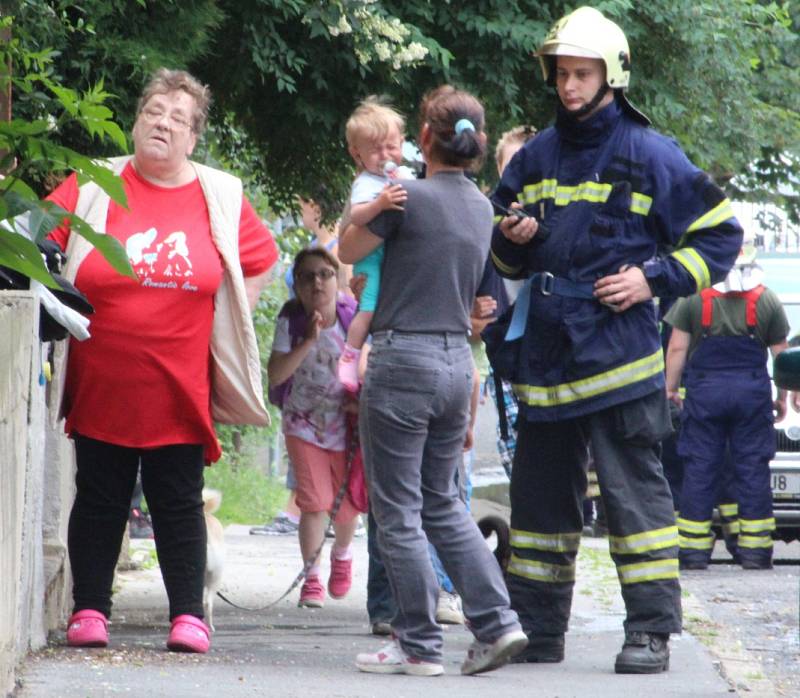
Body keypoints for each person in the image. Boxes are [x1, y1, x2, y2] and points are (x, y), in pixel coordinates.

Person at [489, 7, 743, 674]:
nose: (568, 86)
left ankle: (651, 633)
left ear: (612, 74)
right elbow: (508, 260)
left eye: (581, 73)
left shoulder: (651, 153)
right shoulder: (537, 155)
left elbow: (720, 238)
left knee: (636, 501)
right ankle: (540, 630)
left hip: (619, 356)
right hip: (547, 357)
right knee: (539, 503)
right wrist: (514, 241)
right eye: (561, 74)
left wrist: (652, 279)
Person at [47, 68, 279, 654]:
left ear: (193, 138)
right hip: (103, 378)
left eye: (178, 118)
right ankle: (89, 610)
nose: (163, 123)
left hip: (180, 381)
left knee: (178, 499)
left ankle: (188, 617)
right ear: (135, 120)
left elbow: (261, 258)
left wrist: (228, 313)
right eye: (154, 111)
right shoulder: (94, 182)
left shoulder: (218, 193)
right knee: (100, 495)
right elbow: (37, 237)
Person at [340, 85, 527, 677]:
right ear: (478, 146)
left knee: (397, 510)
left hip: (402, 362)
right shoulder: (481, 206)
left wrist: (366, 213)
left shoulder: (405, 199)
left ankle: (418, 645)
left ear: (424, 139)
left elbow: (347, 247)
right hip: (456, 363)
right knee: (444, 502)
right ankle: (498, 624)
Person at [664, 245, 789, 570]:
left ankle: (692, 553)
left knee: (700, 468)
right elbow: (781, 355)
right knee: (752, 469)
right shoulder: (768, 300)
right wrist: (784, 396)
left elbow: (678, 346)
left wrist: (670, 389)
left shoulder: (693, 299)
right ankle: (756, 553)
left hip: (705, 395)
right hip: (751, 395)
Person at [267, 247, 362, 608]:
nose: (317, 282)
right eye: (307, 276)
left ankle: (342, 553)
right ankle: (311, 578)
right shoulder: (290, 321)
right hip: (301, 423)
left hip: (344, 422)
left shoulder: (352, 319)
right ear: (298, 286)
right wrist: (308, 340)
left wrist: (361, 401)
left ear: (337, 280)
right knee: (313, 501)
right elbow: (276, 374)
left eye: (324, 274)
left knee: (346, 504)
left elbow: (366, 364)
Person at [336, 97, 409, 392]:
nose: (385, 155)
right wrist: (380, 204)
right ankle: (350, 354)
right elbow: (356, 215)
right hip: (370, 257)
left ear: (402, 144)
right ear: (358, 155)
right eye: (375, 149)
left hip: (390, 256)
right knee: (366, 309)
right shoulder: (366, 183)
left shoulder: (404, 176)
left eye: (391, 146)